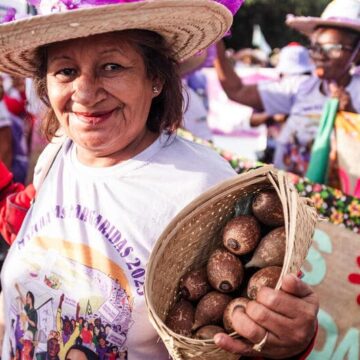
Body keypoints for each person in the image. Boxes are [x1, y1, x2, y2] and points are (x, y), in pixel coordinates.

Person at [0, 0, 318, 359]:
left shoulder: (202, 186)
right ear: (44, 85)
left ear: (155, 79)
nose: (85, 93)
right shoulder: (58, 154)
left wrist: (285, 341)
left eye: (111, 66)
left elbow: (239, 333)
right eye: (65, 71)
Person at [215, 0, 360, 180]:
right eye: (315, 47)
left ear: (357, 52)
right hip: (291, 197)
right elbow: (236, 90)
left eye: (331, 48)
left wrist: (351, 117)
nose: (319, 55)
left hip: (336, 203)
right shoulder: (301, 87)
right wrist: (215, 37)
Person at [251, 43, 314, 163]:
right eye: (292, 75)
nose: (296, 81)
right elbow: (252, 121)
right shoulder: (273, 91)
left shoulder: (316, 93)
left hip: (305, 156)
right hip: (273, 152)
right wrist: (272, 113)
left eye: (303, 75)